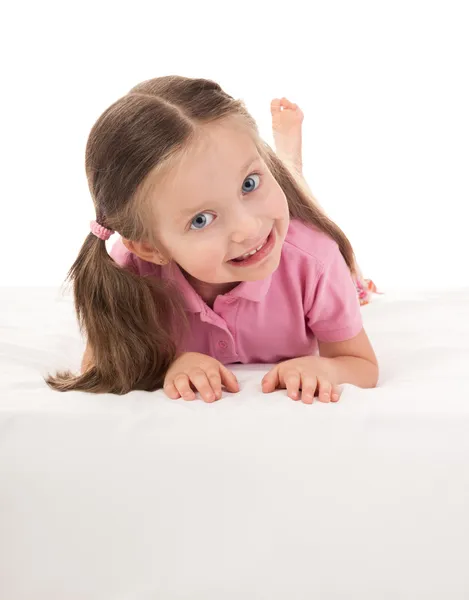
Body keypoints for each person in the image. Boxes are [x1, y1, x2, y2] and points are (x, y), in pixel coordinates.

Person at [47, 75, 379, 403]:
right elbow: (98, 364)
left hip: (307, 247)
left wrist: (327, 369)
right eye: (201, 220)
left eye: (249, 183)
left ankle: (287, 161)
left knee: (316, 225)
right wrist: (169, 367)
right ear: (150, 248)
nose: (247, 229)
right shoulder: (129, 273)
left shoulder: (316, 261)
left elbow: (361, 365)